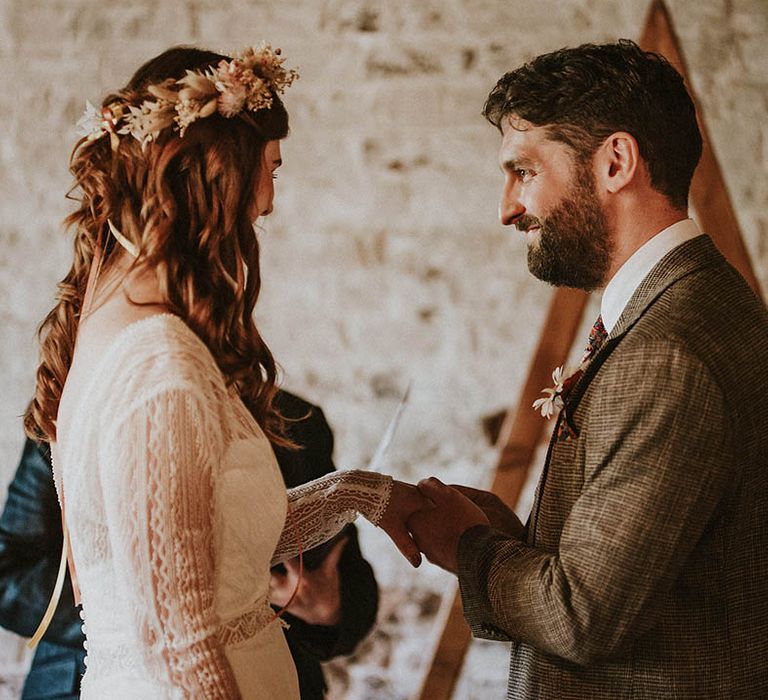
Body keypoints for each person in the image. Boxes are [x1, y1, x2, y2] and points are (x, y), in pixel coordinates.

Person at [23, 44, 425, 699]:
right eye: (269, 170)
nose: (268, 202)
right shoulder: (159, 366)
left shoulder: (124, 326)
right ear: (218, 174)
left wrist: (365, 494)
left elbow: (220, 549)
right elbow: (182, 650)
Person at [408, 40, 768, 697]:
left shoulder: (668, 352)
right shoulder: (691, 304)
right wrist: (513, 538)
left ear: (615, 162)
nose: (507, 208)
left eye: (523, 171)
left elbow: (585, 617)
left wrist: (466, 546)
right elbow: (650, 576)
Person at [0, 390, 379, 699]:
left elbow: (349, 582)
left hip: (269, 674)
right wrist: (180, 608)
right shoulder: (65, 416)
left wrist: (326, 608)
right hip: (90, 675)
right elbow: (9, 578)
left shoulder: (295, 422)